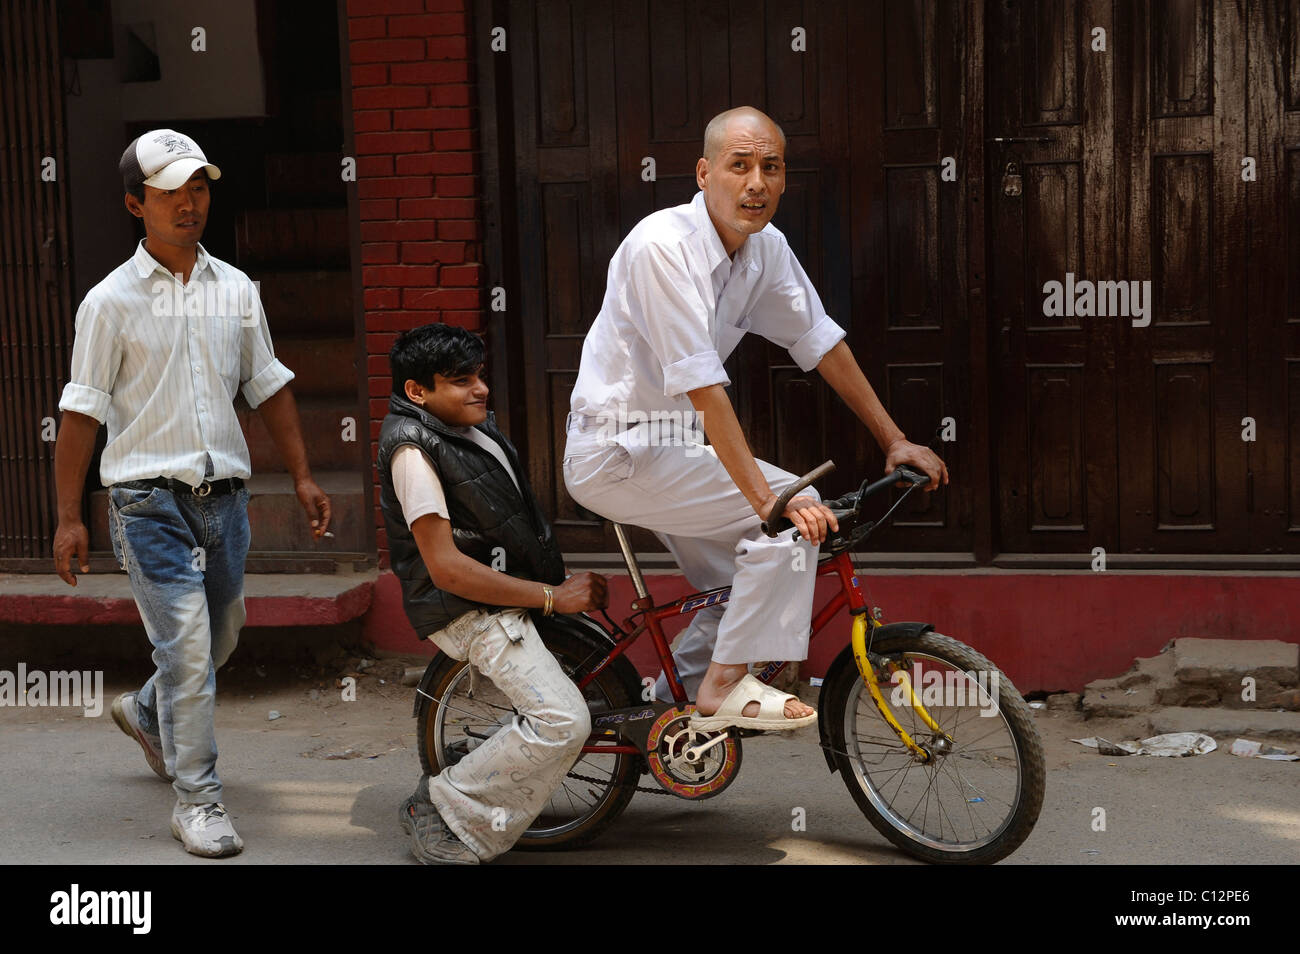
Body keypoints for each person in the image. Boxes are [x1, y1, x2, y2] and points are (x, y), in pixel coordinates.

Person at [564, 106, 948, 730]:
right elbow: (703, 388)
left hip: (674, 452)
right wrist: (769, 499)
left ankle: (672, 717)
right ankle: (720, 689)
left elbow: (822, 343)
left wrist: (895, 439)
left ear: (785, 178)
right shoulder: (662, 247)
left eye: (771, 167)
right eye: (739, 166)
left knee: (750, 583)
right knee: (794, 522)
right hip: (619, 451)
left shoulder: (764, 249)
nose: (756, 183)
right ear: (703, 173)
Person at [52, 129, 331, 857]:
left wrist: (301, 475)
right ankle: (198, 800)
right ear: (134, 203)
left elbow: (266, 385)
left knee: (220, 637)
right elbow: (81, 411)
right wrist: (67, 517)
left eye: (198, 187)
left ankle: (148, 712)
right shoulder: (108, 302)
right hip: (145, 500)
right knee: (186, 648)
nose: (188, 202)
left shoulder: (236, 288)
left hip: (224, 499)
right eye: (171, 190)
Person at [377, 323, 607, 865]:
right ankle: (442, 805)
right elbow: (447, 569)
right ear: (418, 392)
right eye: (461, 380)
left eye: (479, 376)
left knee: (584, 699)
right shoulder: (412, 451)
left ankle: (475, 757)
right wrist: (552, 597)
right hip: (468, 610)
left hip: (504, 596)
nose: (480, 388)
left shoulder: (470, 428)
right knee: (563, 721)